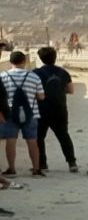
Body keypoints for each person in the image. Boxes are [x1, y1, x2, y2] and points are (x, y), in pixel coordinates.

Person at [32, 46, 77, 174]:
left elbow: (32, 90)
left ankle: (43, 164)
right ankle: (72, 163)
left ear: (41, 58)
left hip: (41, 109)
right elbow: (70, 90)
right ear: (55, 57)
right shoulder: (62, 72)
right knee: (63, 136)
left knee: (39, 138)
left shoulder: (36, 73)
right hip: (59, 109)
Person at [1, 50, 45, 178]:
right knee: (32, 141)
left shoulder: (2, 76)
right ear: (24, 62)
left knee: (11, 141)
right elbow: (41, 96)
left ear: (10, 62)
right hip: (31, 114)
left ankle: (11, 169)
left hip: (9, 114)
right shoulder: (34, 77)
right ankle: (36, 169)